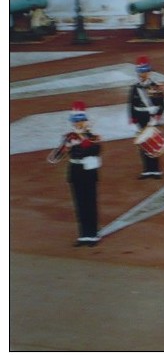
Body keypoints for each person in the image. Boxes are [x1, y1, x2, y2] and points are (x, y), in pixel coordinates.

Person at [55, 101, 102, 247]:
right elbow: (58, 155)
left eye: (81, 121)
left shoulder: (92, 136)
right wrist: (66, 145)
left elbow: (95, 150)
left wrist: (79, 144)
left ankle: (92, 235)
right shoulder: (69, 136)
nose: (78, 124)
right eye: (76, 121)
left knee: (90, 203)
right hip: (75, 172)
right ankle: (83, 235)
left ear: (85, 121)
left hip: (88, 172)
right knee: (79, 204)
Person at [128, 56, 164, 179]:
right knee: (143, 143)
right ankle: (147, 169)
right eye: (140, 72)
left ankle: (155, 169)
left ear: (149, 72)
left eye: (144, 72)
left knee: (153, 143)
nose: (142, 75)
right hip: (140, 117)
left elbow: (162, 104)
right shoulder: (134, 87)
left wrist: (157, 116)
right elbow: (131, 104)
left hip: (152, 117)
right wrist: (133, 118)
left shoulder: (155, 86)